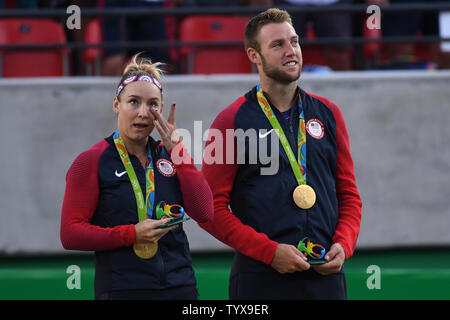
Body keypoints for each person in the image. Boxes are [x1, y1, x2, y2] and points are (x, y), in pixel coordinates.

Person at [199, 8, 362, 299]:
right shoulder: (229, 121)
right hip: (261, 280)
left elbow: (348, 194)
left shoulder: (329, 114)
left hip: (325, 276)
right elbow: (210, 210)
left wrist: (344, 244)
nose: (291, 51)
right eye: (278, 45)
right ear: (254, 55)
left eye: (295, 41)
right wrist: (270, 252)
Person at [60, 53, 213, 300]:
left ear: (161, 109)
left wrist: (178, 150)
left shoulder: (171, 156)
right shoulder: (91, 161)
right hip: (123, 290)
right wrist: (132, 234)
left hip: (180, 286)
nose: (143, 112)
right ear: (116, 104)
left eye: (152, 104)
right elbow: (70, 233)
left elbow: (204, 211)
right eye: (133, 101)